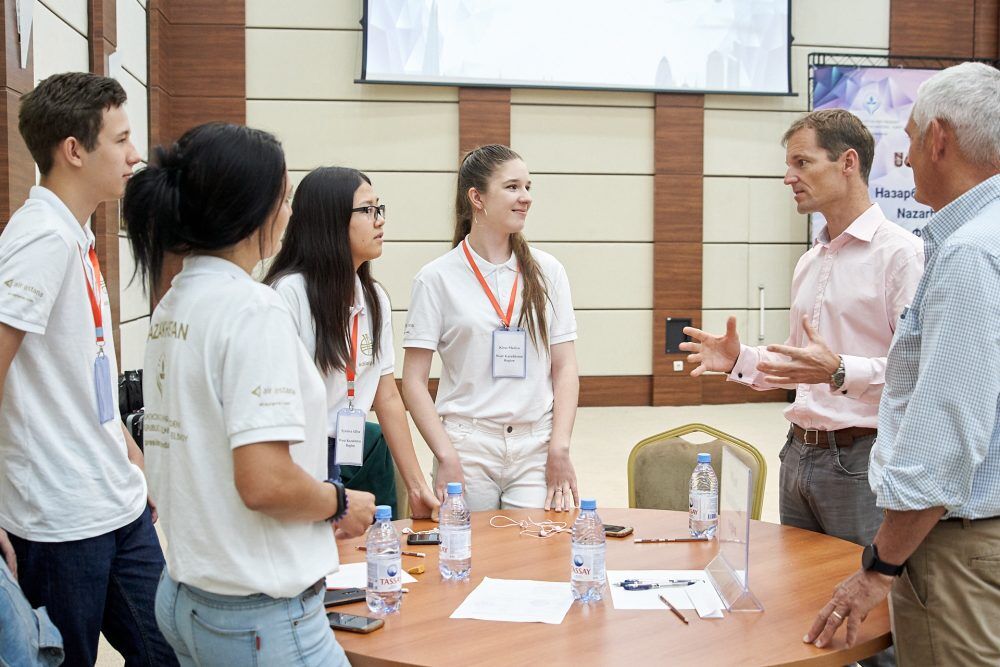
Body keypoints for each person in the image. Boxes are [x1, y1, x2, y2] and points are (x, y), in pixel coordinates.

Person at [123, 123, 375, 666]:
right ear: (255, 210)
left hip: (192, 598)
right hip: (259, 620)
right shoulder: (252, 310)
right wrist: (339, 502)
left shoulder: (175, 303)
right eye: (283, 200)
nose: (287, 217)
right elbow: (264, 482)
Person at [805, 62, 1000, 666]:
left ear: (939, 138)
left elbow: (945, 434)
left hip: (957, 547)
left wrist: (879, 565)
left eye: (911, 138)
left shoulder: (968, 254)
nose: (905, 158)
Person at [0, 72, 176, 666]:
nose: (134, 157)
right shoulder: (39, 239)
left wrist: (131, 456)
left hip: (115, 501)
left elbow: (84, 379)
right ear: (74, 150)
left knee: (169, 652)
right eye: (121, 141)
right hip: (58, 516)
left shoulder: (73, 233)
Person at [401, 144, 580, 512]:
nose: (526, 198)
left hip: (535, 445)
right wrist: (444, 454)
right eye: (513, 187)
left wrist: (559, 446)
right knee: (466, 559)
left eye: (528, 187)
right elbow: (413, 381)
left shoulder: (549, 272)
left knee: (534, 558)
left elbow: (565, 367)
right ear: (476, 197)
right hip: (467, 445)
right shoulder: (436, 278)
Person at [265, 167, 438, 518]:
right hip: (301, 455)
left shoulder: (373, 298)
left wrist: (417, 486)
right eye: (367, 210)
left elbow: (386, 394)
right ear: (329, 219)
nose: (379, 221)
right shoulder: (289, 295)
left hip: (353, 445)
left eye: (379, 209)